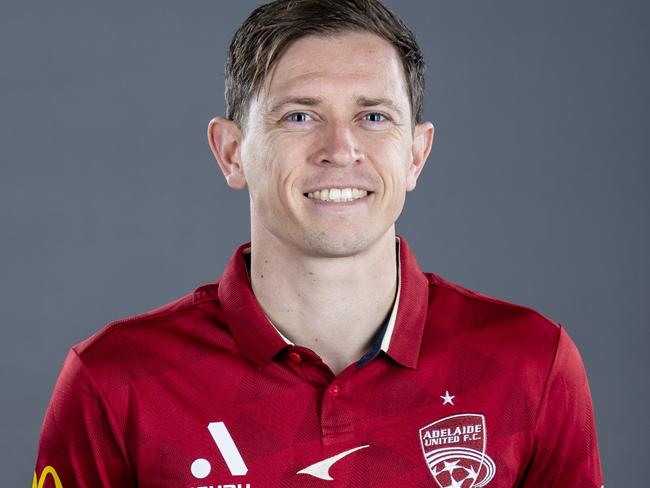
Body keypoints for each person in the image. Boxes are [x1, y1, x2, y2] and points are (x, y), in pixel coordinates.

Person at [33, 1, 604, 487]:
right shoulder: (114, 379)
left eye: (374, 116)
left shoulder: (532, 363)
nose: (340, 148)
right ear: (231, 152)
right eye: (300, 115)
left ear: (416, 154)